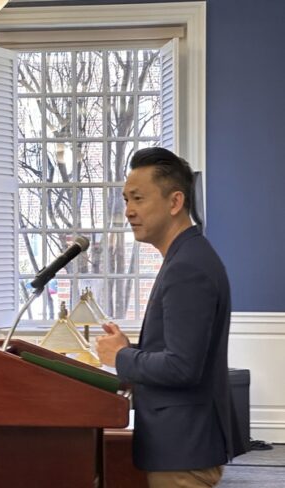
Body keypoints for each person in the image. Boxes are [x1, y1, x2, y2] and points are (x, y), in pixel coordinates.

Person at [95, 147, 237, 488]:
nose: (128, 211)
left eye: (138, 199)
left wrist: (122, 357)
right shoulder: (186, 256)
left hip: (183, 451)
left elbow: (182, 367)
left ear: (175, 203)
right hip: (179, 446)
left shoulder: (188, 265)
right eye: (126, 200)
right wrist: (130, 350)